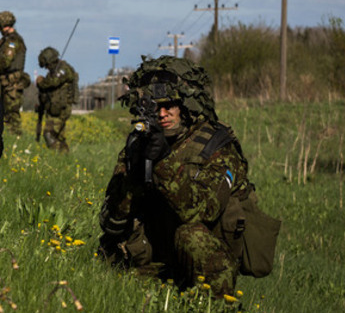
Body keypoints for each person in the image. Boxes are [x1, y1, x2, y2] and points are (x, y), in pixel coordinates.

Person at [96, 55, 277, 297]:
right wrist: (135, 175)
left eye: (169, 105)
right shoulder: (139, 145)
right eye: (154, 107)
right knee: (105, 257)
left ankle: (216, 311)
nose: (162, 114)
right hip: (156, 255)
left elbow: (202, 211)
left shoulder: (217, 145)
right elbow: (112, 221)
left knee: (191, 236)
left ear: (186, 105)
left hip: (204, 260)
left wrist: (162, 161)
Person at [0, 11, 29, 136]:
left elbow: (5, 61)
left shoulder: (13, 41)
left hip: (12, 83)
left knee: (11, 115)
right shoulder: (8, 40)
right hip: (8, 82)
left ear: (4, 25)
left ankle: (16, 139)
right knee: (7, 114)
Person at [35, 47, 77, 151]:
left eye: (47, 65)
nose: (47, 68)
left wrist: (40, 81)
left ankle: (58, 155)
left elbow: (52, 82)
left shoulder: (63, 69)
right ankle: (64, 159)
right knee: (59, 137)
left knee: (49, 134)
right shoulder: (55, 71)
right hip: (55, 108)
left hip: (61, 109)